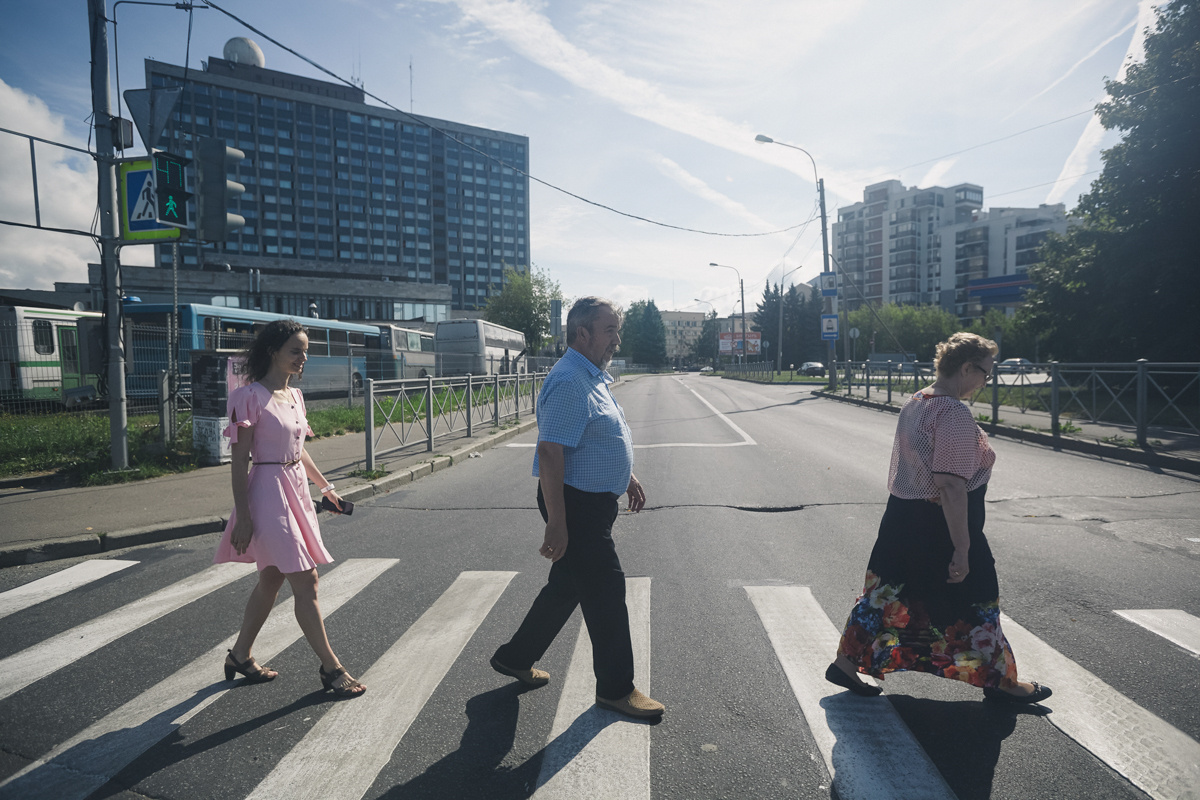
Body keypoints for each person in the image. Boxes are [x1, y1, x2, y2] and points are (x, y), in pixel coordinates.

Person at [827, 332, 1052, 705]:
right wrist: (962, 547)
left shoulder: (917, 402)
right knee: (978, 596)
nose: (985, 382)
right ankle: (1003, 684)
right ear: (966, 367)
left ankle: (846, 663)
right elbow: (949, 485)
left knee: (885, 594)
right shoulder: (952, 412)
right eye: (985, 373)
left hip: (902, 521)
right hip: (940, 528)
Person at [490, 297, 664, 719]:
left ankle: (516, 656)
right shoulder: (569, 380)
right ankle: (616, 688)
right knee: (606, 591)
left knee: (568, 585)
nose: (617, 340)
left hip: (589, 500)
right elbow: (551, 454)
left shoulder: (593, 375)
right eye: (610, 331)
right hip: (574, 503)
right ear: (582, 332)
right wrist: (558, 524)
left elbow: (600, 438)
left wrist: (627, 477)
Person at [214, 319, 366, 699]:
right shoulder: (248, 397)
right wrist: (244, 516)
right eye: (295, 350)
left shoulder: (294, 397)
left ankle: (239, 656)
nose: (303, 357)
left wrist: (326, 488)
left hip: (294, 489)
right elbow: (239, 462)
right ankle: (331, 669)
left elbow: (299, 452)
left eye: (305, 350)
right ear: (273, 352)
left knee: (271, 578)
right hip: (266, 493)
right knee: (306, 580)